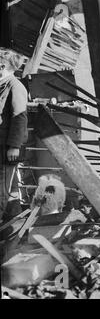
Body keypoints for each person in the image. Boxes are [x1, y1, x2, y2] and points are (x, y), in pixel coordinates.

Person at [0, 48, 28, 221]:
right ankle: (12, 229)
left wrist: (14, 147)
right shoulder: (3, 85)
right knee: (9, 190)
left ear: (2, 66)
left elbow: (20, 118)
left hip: (5, 149)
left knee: (1, 189)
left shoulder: (15, 86)